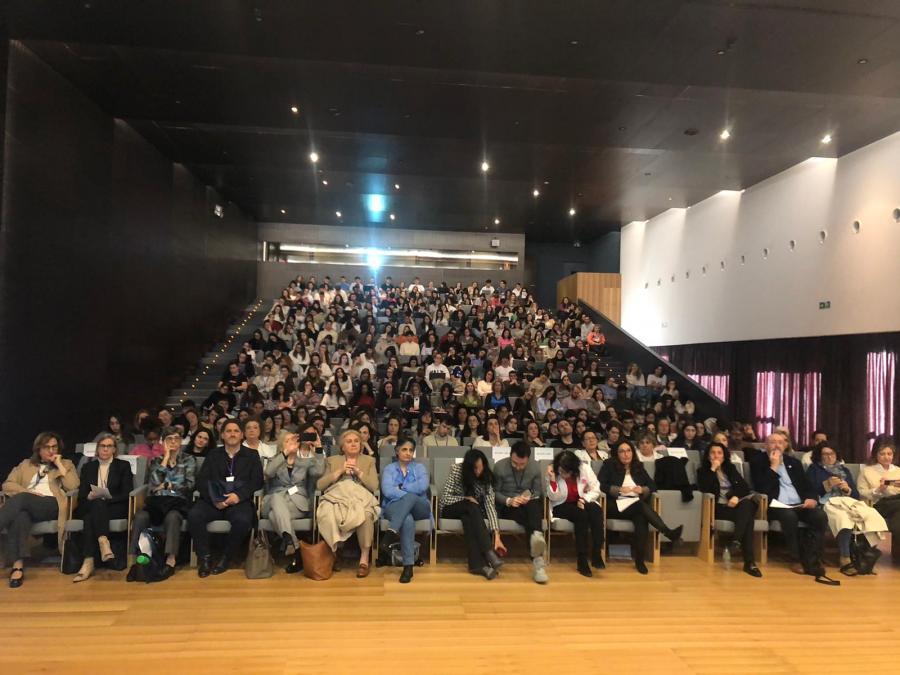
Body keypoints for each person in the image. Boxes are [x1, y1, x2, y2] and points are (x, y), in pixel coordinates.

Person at [749, 433, 836, 584]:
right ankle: (795, 559)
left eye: (780, 443)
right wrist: (774, 466)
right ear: (765, 445)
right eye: (773, 442)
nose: (777, 445)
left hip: (799, 504)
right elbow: (761, 488)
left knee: (819, 516)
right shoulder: (758, 462)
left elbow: (807, 486)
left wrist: (811, 498)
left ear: (786, 446)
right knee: (789, 516)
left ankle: (813, 558)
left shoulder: (793, 463)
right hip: (776, 505)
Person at [0, 432, 79, 588]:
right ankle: (17, 567)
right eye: (47, 447)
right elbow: (7, 485)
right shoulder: (25, 464)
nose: (51, 450)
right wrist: (28, 493)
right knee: (21, 515)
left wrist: (60, 466)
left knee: (22, 500)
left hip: (52, 504)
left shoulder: (67, 464)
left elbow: (74, 486)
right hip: (26, 503)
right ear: (38, 449)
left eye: (54, 446)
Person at [189, 419, 264, 577]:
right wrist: (215, 499)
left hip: (239, 501)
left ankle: (226, 557)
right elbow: (202, 481)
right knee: (195, 515)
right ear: (222, 435)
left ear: (242, 435)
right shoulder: (213, 454)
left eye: (236, 431)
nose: (232, 434)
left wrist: (238, 495)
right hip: (214, 501)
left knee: (243, 520)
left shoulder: (251, 455)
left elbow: (257, 481)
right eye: (228, 431)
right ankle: (205, 558)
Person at [598, 441, 683, 574]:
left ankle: (640, 561)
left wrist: (642, 489)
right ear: (616, 454)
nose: (626, 454)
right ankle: (667, 532)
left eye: (628, 450)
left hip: (634, 505)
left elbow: (653, 485)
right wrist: (619, 489)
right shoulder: (609, 465)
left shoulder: (638, 467)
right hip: (615, 505)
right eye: (622, 451)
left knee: (641, 519)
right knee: (640, 507)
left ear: (633, 452)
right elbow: (600, 485)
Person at [806, 442, 887, 576]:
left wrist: (847, 489)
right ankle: (845, 558)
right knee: (843, 519)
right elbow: (809, 491)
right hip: (828, 502)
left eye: (832, 454)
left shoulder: (844, 470)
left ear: (836, 455)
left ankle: (866, 557)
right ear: (819, 456)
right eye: (825, 454)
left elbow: (855, 494)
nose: (829, 457)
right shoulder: (814, 469)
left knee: (873, 516)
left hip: (848, 502)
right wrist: (826, 485)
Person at [131, 427, 196, 575]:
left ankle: (170, 559)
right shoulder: (156, 460)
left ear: (181, 441)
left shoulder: (188, 459)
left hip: (178, 502)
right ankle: (137, 559)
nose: (173, 442)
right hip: (158, 503)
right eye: (169, 439)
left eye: (176, 439)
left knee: (172, 517)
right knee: (141, 516)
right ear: (163, 442)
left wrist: (166, 485)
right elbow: (154, 483)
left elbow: (189, 485)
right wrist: (166, 458)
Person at [71, 432, 135, 582]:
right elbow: (82, 493)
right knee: (94, 506)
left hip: (114, 506)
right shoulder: (88, 467)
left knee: (90, 517)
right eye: (102, 446)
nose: (105, 449)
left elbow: (127, 492)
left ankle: (88, 561)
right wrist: (89, 496)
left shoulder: (123, 466)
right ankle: (103, 542)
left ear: (114, 449)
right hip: (91, 504)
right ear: (97, 449)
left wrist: (107, 497)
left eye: (109, 446)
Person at [316, 429, 379, 577]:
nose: (353, 444)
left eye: (356, 441)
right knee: (328, 512)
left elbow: (374, 486)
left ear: (361, 445)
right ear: (342, 446)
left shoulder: (369, 461)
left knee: (366, 514)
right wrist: (339, 471)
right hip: (337, 497)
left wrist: (358, 472)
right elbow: (320, 485)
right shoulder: (332, 461)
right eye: (349, 442)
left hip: (360, 498)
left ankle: (364, 559)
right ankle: (334, 553)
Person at [263, 426, 325, 573]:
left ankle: (291, 543)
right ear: (281, 445)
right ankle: (296, 547)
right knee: (277, 498)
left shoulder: (305, 462)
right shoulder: (274, 460)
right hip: (274, 500)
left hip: (297, 504)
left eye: (293, 440)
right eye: (288, 441)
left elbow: (319, 472)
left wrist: (319, 449)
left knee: (274, 515)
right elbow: (268, 472)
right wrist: (285, 454)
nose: (292, 443)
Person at [439, 448, 506, 579]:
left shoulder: (486, 477)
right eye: (475, 468)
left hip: (471, 512)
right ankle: (488, 552)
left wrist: (496, 535)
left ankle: (477, 565)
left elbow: (490, 506)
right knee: (471, 506)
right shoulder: (456, 470)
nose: (478, 471)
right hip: (451, 508)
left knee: (468, 518)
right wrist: (465, 498)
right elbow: (445, 498)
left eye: (480, 468)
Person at [696, 442, 762, 577]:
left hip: (736, 506)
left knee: (748, 506)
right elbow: (705, 489)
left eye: (719, 453)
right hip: (718, 507)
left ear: (724, 456)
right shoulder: (703, 471)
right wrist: (712, 470)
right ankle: (749, 562)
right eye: (713, 453)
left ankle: (737, 541)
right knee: (748, 518)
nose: (716, 455)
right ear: (708, 456)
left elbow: (744, 487)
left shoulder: (730, 468)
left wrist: (735, 496)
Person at [493, 441, 548, 584]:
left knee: (533, 506)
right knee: (532, 519)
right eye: (514, 463)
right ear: (510, 455)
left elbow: (537, 492)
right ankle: (538, 554)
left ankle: (536, 540)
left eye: (522, 464)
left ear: (528, 459)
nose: (518, 467)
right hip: (507, 505)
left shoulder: (535, 467)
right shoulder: (499, 467)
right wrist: (509, 500)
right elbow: (493, 493)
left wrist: (527, 497)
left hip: (527, 502)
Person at [380, 436, 432, 583]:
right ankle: (408, 567)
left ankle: (390, 534)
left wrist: (402, 489)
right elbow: (387, 491)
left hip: (420, 506)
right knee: (407, 519)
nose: (408, 453)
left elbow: (423, 487)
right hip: (393, 506)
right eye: (404, 449)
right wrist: (409, 494)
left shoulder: (419, 468)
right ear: (397, 451)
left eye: (411, 450)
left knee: (410, 498)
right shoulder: (389, 469)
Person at [546, 449, 605, 577]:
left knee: (596, 511)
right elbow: (553, 497)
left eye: (565, 472)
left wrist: (584, 499)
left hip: (582, 500)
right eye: (560, 471)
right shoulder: (554, 471)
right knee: (581, 515)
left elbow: (596, 488)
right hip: (561, 505)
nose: (562, 474)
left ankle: (596, 551)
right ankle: (582, 559)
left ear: (574, 470)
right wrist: (552, 480)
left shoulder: (584, 469)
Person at [857, 435, 900, 562]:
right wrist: (878, 490)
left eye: (889, 454)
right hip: (878, 505)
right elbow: (862, 492)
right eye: (882, 454)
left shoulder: (898, 470)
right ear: (875, 454)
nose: (887, 457)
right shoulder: (867, 471)